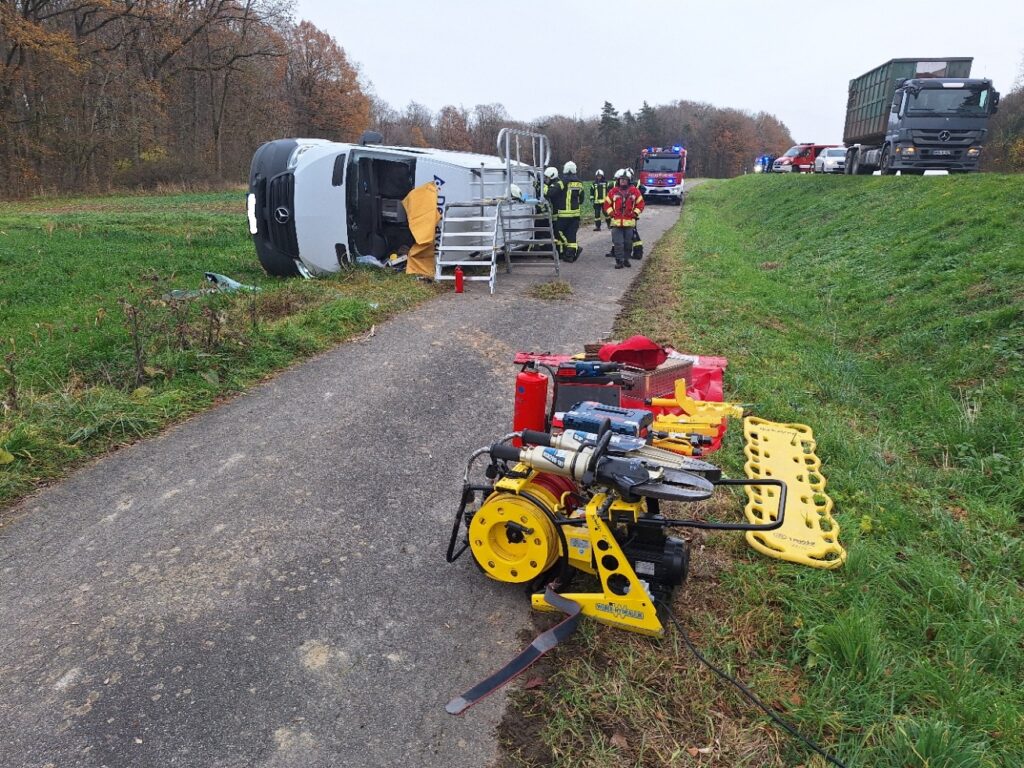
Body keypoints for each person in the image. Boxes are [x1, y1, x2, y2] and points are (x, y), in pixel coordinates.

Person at [604, 168, 644, 269]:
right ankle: (619, 261)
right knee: (618, 243)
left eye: (625, 179)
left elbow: (641, 204)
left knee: (628, 243)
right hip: (616, 223)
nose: (623, 181)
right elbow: (606, 204)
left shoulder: (634, 191)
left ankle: (626, 259)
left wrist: (635, 213)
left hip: (629, 223)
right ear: (618, 180)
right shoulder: (613, 191)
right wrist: (611, 213)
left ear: (628, 180)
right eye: (621, 179)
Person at [555, 160, 585, 262]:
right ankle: (570, 255)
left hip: (564, 214)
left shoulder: (562, 182)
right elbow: (581, 199)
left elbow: (552, 192)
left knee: (557, 231)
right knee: (571, 234)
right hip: (576, 214)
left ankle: (572, 250)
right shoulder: (579, 183)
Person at [542, 166, 566, 259]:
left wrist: (542, 185)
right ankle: (559, 252)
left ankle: (561, 253)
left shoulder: (557, 184)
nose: (546, 179)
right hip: (556, 213)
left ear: (552, 176)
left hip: (560, 214)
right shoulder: (554, 184)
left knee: (558, 234)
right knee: (556, 234)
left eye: (547, 178)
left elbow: (548, 193)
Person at [626, 168, 644, 259]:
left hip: (632, 214)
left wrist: (635, 213)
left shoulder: (635, 185)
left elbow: (641, 199)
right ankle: (636, 252)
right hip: (628, 214)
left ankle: (637, 253)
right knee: (632, 233)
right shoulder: (633, 185)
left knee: (632, 233)